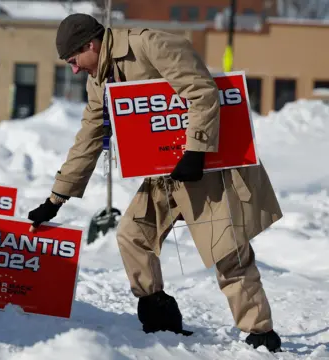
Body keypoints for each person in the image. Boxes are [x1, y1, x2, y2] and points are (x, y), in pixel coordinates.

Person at [27, 13, 283, 353]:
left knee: (228, 252)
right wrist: (56, 198)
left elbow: (201, 90)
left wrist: (195, 150)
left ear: (90, 45)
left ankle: (260, 332)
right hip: (163, 174)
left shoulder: (150, 45)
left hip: (203, 167)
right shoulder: (99, 80)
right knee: (133, 235)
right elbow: (90, 136)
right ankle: (159, 314)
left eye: (74, 60)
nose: (74, 68)